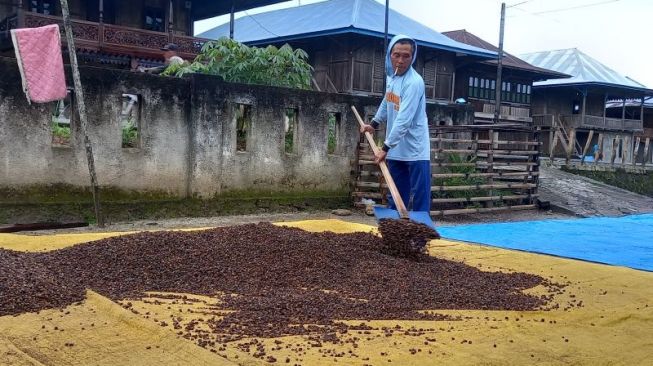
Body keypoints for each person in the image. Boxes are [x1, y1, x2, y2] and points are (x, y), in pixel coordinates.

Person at [360, 34, 431, 215]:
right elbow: (387, 101)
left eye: (406, 56)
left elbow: (403, 121)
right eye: (396, 54)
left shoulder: (414, 83)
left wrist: (384, 148)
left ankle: (420, 240)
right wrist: (373, 124)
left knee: (420, 198)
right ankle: (395, 237)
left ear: (412, 57)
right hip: (396, 149)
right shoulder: (393, 77)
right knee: (396, 195)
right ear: (389, 55)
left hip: (416, 150)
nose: (400, 60)